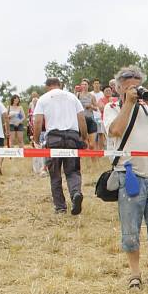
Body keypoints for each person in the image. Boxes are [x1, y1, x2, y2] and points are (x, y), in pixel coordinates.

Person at [103, 65, 148, 290]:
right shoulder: (112, 107)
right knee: (131, 229)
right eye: (128, 87)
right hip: (129, 175)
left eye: (137, 86)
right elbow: (115, 130)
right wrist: (128, 103)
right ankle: (135, 274)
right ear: (119, 89)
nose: (134, 90)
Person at [33, 77, 88, 215]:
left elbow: (38, 121)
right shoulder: (72, 97)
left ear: (47, 86)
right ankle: (75, 193)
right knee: (73, 171)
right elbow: (81, 118)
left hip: (54, 138)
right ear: (60, 85)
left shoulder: (43, 98)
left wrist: (36, 139)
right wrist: (84, 137)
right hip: (72, 137)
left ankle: (60, 207)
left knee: (55, 174)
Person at [76, 80, 98, 151]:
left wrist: (91, 106)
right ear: (81, 86)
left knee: (92, 145)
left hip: (90, 120)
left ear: (88, 86)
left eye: (85, 84)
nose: (84, 86)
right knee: (81, 144)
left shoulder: (92, 96)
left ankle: (94, 162)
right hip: (80, 121)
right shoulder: (77, 95)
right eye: (83, 84)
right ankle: (82, 161)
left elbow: (96, 108)